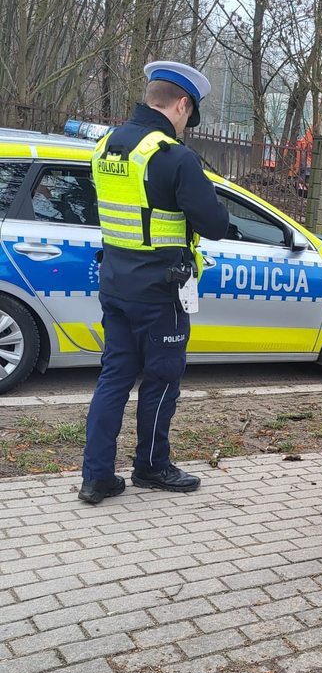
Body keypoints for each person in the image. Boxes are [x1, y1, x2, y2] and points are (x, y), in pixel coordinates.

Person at [79, 61, 230, 505]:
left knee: (113, 379)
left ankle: (96, 477)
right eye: (189, 115)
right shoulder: (174, 157)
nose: (185, 125)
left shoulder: (107, 147)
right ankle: (151, 466)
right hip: (161, 292)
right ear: (181, 105)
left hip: (115, 285)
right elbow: (216, 224)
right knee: (162, 379)